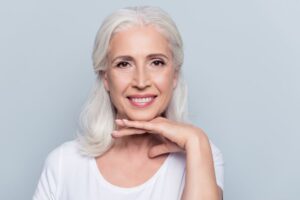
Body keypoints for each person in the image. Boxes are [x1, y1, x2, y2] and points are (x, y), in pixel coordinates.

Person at [33, 6, 224, 200]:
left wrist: (196, 139)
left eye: (156, 62)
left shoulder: (199, 154)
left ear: (174, 75)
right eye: (124, 64)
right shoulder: (63, 163)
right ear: (106, 77)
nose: (141, 82)